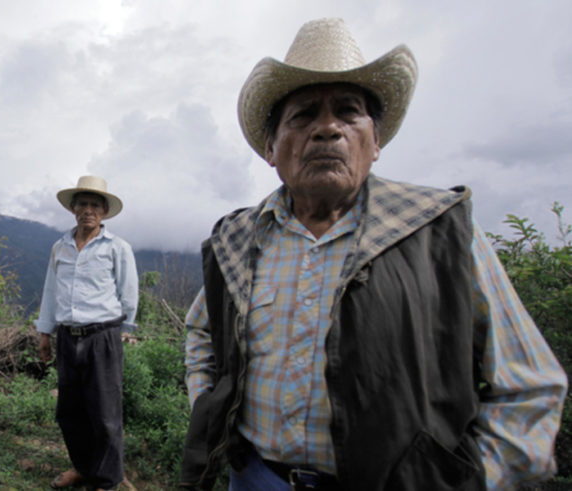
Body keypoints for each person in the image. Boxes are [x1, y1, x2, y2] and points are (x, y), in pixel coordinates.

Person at [180, 18, 567, 491]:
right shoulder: (237, 240)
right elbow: (201, 330)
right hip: (258, 477)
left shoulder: (437, 231)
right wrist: (211, 407)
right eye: (302, 115)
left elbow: (531, 390)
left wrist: (464, 481)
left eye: (348, 112)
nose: (327, 128)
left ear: (376, 142)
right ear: (270, 148)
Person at [35, 175, 138, 491]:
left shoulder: (117, 248)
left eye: (95, 205)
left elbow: (128, 292)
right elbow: (51, 290)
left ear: (104, 212)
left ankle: (108, 480)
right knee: (70, 411)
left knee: (105, 414)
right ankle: (82, 467)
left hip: (102, 337)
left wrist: (125, 330)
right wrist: (45, 333)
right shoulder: (60, 247)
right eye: (82, 204)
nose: (88, 210)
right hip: (68, 337)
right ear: (73, 209)